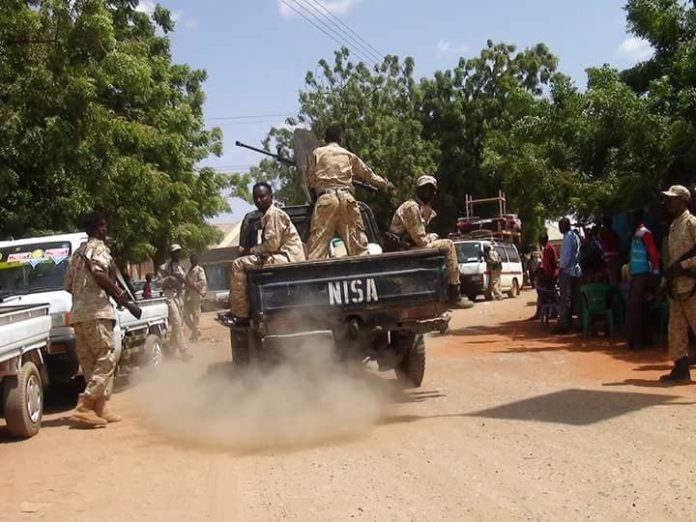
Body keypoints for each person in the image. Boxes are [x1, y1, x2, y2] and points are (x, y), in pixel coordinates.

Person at [64, 212, 126, 426]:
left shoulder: (77, 254)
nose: (105, 230)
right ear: (96, 228)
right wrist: (118, 293)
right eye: (102, 226)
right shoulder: (98, 248)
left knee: (90, 364)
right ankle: (86, 404)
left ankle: (100, 410)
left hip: (79, 315)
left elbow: (69, 285)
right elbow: (100, 273)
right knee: (107, 356)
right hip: (96, 312)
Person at [306, 125, 393, 259]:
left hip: (326, 200)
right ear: (340, 139)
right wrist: (383, 183)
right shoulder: (348, 155)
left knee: (317, 250)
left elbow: (311, 181)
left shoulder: (317, 153)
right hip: (347, 199)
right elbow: (367, 174)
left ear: (325, 138)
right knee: (358, 246)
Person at [229, 182, 305, 323]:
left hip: (287, 258)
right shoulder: (268, 215)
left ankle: (241, 314)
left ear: (271, 196)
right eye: (256, 197)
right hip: (284, 257)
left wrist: (249, 250)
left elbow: (271, 244)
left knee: (238, 264)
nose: (259, 200)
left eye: (262, 196)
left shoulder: (273, 214)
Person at [389, 175, 468, 308]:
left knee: (440, 248)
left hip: (411, 246)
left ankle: (441, 288)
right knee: (448, 245)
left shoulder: (426, 210)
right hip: (404, 248)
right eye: (425, 188)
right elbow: (421, 240)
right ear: (418, 190)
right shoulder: (411, 207)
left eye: (431, 190)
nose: (428, 192)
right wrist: (433, 236)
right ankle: (454, 292)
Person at [660, 185, 696, 384]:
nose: (668, 203)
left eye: (672, 199)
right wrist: (666, 281)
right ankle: (681, 369)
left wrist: (684, 265)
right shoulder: (674, 227)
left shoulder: (692, 223)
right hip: (677, 288)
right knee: (676, 330)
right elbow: (671, 260)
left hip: (692, 286)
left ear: (682, 201)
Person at [626, 209, 661, 351]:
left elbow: (653, 253)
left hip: (643, 274)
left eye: (632, 216)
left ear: (638, 217)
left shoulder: (644, 232)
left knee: (635, 307)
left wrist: (655, 272)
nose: (630, 219)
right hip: (636, 274)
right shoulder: (635, 233)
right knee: (641, 306)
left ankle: (638, 339)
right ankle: (645, 338)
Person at [158, 244, 189, 360]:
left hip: (179, 296)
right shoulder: (164, 267)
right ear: (171, 254)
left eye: (179, 252)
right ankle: (183, 350)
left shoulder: (181, 266)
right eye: (175, 252)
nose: (178, 254)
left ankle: (171, 349)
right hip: (169, 295)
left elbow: (184, 280)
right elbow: (158, 283)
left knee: (179, 325)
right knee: (176, 322)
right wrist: (168, 278)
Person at [554, 217, 582, 334]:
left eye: (561, 226)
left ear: (565, 226)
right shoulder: (575, 236)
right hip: (576, 271)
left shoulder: (568, 237)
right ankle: (578, 323)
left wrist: (561, 268)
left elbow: (566, 256)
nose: (560, 228)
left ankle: (564, 325)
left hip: (567, 271)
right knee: (575, 298)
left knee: (565, 298)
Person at [184, 254, 208, 342]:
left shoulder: (199, 270)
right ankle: (195, 331)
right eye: (192, 259)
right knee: (185, 315)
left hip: (196, 295)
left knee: (196, 315)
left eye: (194, 259)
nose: (193, 261)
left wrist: (194, 285)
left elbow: (203, 282)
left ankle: (195, 337)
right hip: (189, 296)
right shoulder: (188, 270)